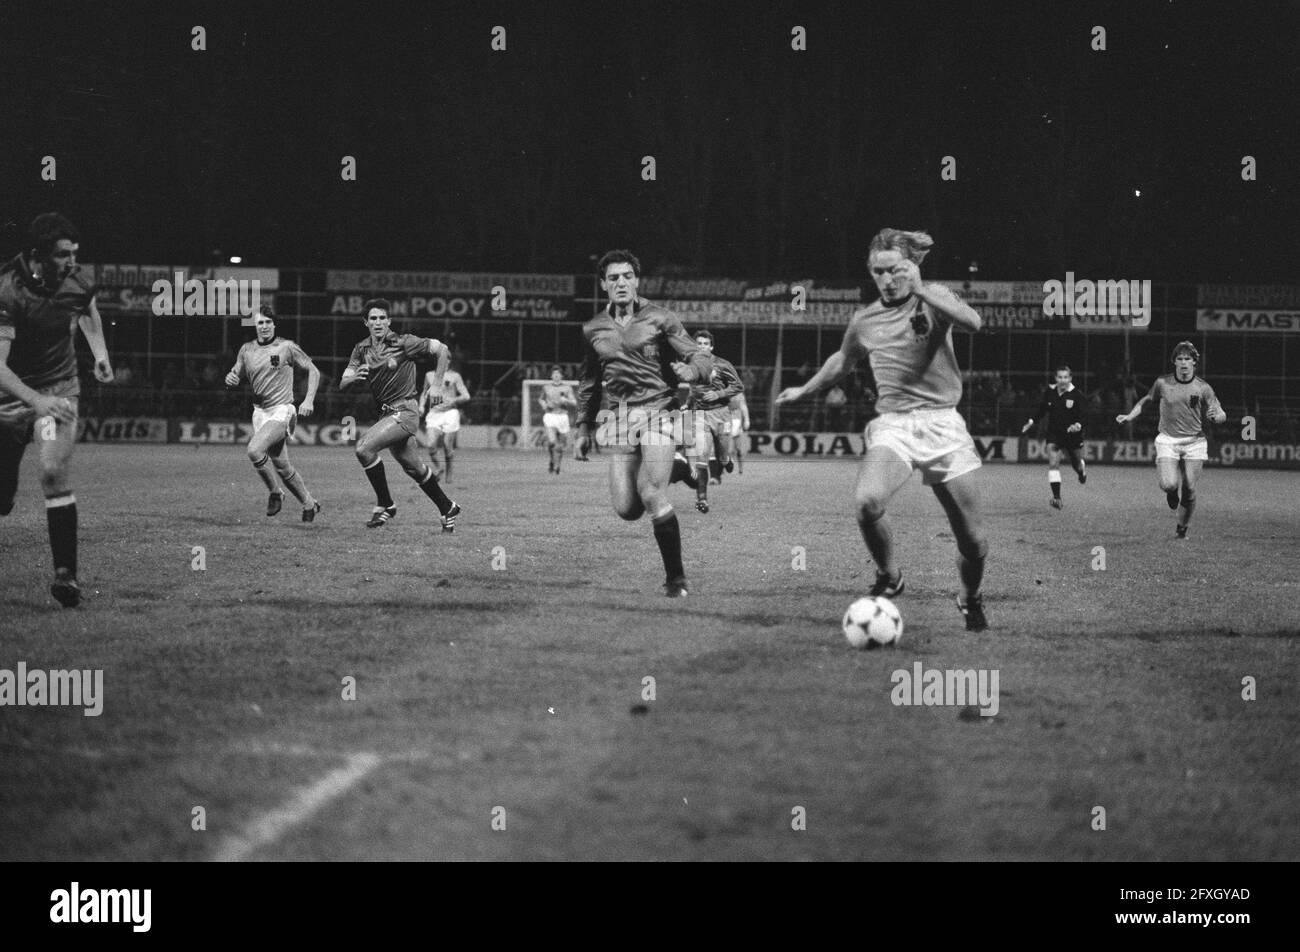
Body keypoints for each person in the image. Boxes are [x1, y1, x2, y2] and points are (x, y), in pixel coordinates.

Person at [776, 228, 989, 631]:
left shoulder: (934, 297)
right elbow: (843, 360)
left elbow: (974, 323)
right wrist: (804, 389)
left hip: (943, 422)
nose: (887, 279)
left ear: (912, 266)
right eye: (879, 272)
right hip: (894, 424)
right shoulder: (865, 319)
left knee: (973, 541)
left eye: (895, 270)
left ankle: (969, 597)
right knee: (867, 502)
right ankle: (890, 576)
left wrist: (921, 289)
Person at [575, 250, 711, 597]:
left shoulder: (661, 318)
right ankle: (678, 468)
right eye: (613, 278)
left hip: (659, 411)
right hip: (619, 418)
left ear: (636, 280)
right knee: (626, 508)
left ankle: (676, 580)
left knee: (650, 492)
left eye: (627, 276)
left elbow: (699, 355)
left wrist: (693, 370)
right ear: (603, 284)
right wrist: (583, 427)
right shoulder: (592, 329)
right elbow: (590, 382)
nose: (621, 283)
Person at [0, 213, 113, 607]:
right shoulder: (7, 289)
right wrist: (35, 400)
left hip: (59, 390)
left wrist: (100, 355)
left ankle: (67, 576)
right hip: (12, 397)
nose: (71, 262)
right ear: (37, 256)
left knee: (52, 471)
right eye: (63, 255)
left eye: (74, 253)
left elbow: (88, 310)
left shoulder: (77, 280)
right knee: (2, 497)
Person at [340, 299, 461, 531]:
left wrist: (436, 385)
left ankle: (386, 503)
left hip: (405, 411)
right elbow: (343, 382)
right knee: (414, 468)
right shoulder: (361, 349)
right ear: (365, 322)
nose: (378, 322)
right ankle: (447, 507)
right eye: (373, 318)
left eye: (382, 318)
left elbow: (442, 349)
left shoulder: (404, 342)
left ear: (389, 321)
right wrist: (352, 378)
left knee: (363, 448)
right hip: (386, 414)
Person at [1115, 341, 1226, 539]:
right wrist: (1130, 415)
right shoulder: (1162, 383)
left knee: (1190, 488)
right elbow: (1147, 400)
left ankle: (1182, 528)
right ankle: (1172, 492)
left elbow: (1221, 413)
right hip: (1168, 440)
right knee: (1168, 485)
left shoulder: (1203, 387)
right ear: (1174, 362)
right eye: (1180, 358)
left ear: (1194, 362)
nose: (1183, 362)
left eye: (1187, 359)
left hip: (1195, 442)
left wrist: (1216, 417)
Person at [224, 304, 322, 521]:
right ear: (255, 325)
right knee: (282, 466)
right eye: (260, 322)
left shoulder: (286, 347)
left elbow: (314, 370)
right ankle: (309, 504)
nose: (264, 326)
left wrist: (308, 400)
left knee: (254, 450)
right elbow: (235, 374)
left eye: (268, 322)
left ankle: (276, 493)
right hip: (260, 413)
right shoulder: (246, 350)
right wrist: (230, 379)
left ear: (274, 325)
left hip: (282, 410)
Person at [684, 329, 743, 511]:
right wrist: (688, 403)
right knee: (702, 456)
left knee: (722, 454)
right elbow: (693, 389)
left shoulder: (722, 364)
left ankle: (725, 460)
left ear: (711, 347)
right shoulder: (690, 365)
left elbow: (738, 386)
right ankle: (702, 499)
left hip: (721, 413)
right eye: (699, 343)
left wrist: (718, 394)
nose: (702, 346)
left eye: (705, 344)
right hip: (700, 415)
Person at [1020, 365, 1087, 509]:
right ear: (1056, 378)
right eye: (1060, 377)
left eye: (1065, 377)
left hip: (1073, 436)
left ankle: (1082, 472)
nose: (1062, 380)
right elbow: (1041, 410)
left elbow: (1083, 416)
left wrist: (1078, 425)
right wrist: (1031, 422)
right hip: (1054, 434)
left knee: (1076, 464)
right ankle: (1057, 498)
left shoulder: (1077, 395)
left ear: (1070, 378)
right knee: (1053, 463)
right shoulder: (1050, 392)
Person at [419, 361, 471, 482]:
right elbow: (424, 392)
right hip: (434, 414)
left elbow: (466, 396)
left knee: (448, 446)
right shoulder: (429, 375)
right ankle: (439, 468)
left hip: (450, 413)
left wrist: (454, 399)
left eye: (445, 359)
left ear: (449, 361)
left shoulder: (455, 376)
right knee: (430, 445)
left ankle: (449, 473)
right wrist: (421, 405)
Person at [538, 367, 576, 474]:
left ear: (561, 376)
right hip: (550, 416)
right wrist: (543, 404)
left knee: (560, 445)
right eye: (554, 374)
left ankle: (557, 466)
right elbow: (541, 399)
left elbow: (574, 402)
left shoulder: (567, 388)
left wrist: (566, 400)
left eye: (558, 374)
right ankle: (552, 460)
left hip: (562, 417)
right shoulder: (546, 387)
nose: (556, 375)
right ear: (551, 376)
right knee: (552, 442)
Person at [728, 392, 750, 474]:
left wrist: (747, 420)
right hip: (726, 421)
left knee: (739, 450)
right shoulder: (723, 392)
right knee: (728, 450)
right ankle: (725, 466)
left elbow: (743, 407)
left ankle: (741, 469)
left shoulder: (739, 394)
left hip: (737, 422)